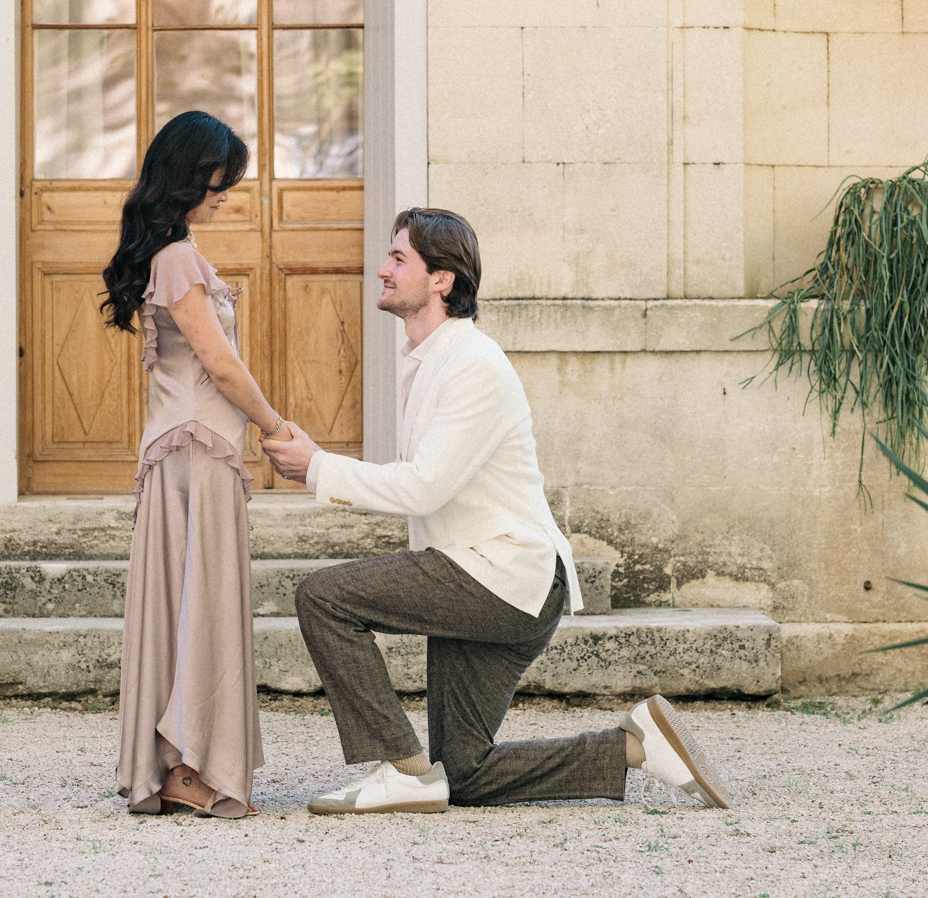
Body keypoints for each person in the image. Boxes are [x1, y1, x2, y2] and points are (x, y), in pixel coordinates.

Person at [264, 206, 731, 815]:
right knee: (465, 773)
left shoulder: (473, 365)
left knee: (324, 598)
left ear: (442, 279)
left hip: (504, 574)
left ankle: (402, 772)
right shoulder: (428, 361)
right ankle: (634, 747)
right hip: (485, 576)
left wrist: (318, 468)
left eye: (398, 258)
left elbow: (423, 488)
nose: (382, 269)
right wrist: (321, 466)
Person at [102, 109, 298, 819]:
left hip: (181, 447)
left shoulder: (170, 253)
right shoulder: (179, 258)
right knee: (203, 603)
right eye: (218, 182)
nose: (225, 196)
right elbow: (219, 363)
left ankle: (174, 764)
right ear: (187, 178)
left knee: (183, 604)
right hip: (198, 448)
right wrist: (276, 428)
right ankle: (188, 768)